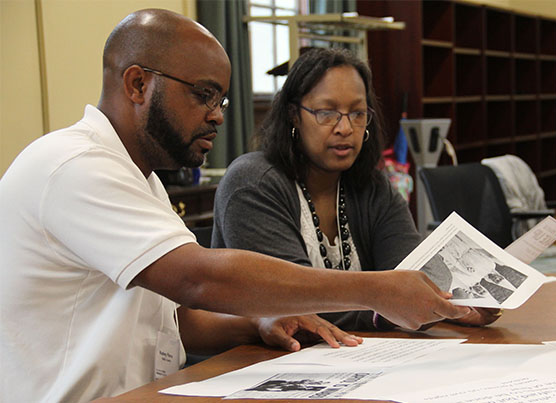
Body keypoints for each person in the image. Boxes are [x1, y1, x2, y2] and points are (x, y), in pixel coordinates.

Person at [0, 9, 470, 402]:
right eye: (203, 94)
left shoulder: (140, 181)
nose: (218, 114)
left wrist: (255, 324)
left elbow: (170, 323)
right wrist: (376, 290)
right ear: (138, 84)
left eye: (221, 98)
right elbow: (198, 278)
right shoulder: (72, 165)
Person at [212, 47, 501, 330]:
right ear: (294, 116)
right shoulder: (252, 183)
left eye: (357, 113)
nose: (345, 128)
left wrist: (454, 307)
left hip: (358, 355)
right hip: (257, 363)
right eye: (327, 113)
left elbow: (411, 275)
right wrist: (391, 308)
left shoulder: (373, 187)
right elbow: (291, 302)